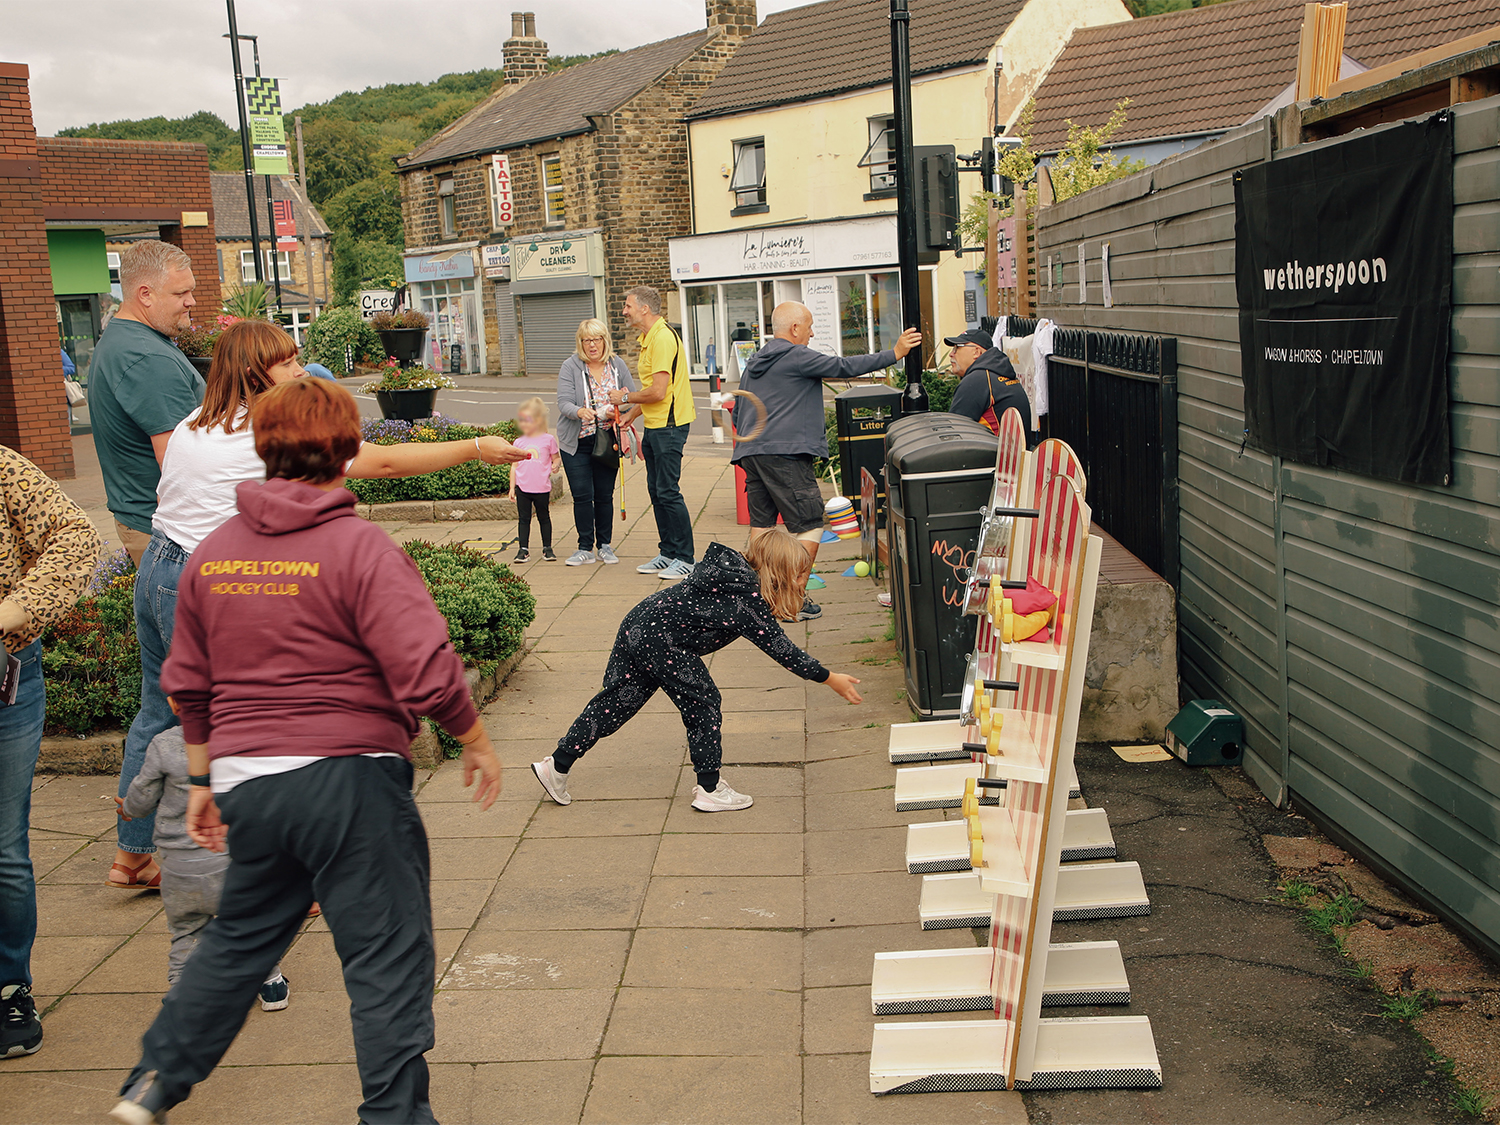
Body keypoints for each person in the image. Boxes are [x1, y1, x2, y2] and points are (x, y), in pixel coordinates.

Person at [110, 378, 504, 1125]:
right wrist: (475, 737)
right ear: (348, 449)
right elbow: (423, 661)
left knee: (238, 939)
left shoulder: (217, 552)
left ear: (264, 449)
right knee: (386, 956)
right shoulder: (359, 546)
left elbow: (187, 683)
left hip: (248, 785)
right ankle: (394, 1116)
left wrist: (200, 781)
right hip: (350, 784)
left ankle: (155, 1078)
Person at [110, 319, 524, 889]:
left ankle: (132, 853)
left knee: (159, 711)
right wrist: (477, 448)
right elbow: (380, 463)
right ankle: (254, 866)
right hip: (203, 575)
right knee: (234, 720)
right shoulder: (265, 434)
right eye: (288, 362)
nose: (300, 370)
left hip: (161, 566)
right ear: (258, 371)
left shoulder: (193, 425)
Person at [532, 529, 864, 813]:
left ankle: (556, 765)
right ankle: (709, 789)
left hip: (642, 621)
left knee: (618, 701)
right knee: (703, 702)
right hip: (662, 640)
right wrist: (829, 677)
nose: (801, 580)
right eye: (798, 573)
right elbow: (783, 650)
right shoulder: (746, 598)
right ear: (777, 572)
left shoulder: (731, 576)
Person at [0, 447, 102, 1060]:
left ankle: (10, 987)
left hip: (7, 674)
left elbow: (75, 536)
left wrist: (8, 614)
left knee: (4, 847)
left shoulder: (2, 468)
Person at [732, 301, 920, 619]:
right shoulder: (795, 354)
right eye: (808, 326)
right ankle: (792, 597)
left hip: (752, 454)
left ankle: (759, 596)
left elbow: (740, 410)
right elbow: (843, 367)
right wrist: (895, 353)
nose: (811, 332)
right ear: (794, 329)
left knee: (761, 527)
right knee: (810, 525)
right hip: (787, 453)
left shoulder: (755, 362)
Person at [119, 727, 289, 1009]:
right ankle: (270, 985)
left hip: (180, 868)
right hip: (234, 864)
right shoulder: (247, 740)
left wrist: (128, 809)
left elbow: (142, 795)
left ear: (174, 701)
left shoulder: (164, 744)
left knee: (187, 930)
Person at [88, 240, 204, 567]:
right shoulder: (146, 356)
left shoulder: (126, 338)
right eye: (180, 293)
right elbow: (180, 458)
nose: (190, 301)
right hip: (173, 534)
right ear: (145, 295)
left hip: (152, 523)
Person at [608, 286, 696, 581]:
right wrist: (631, 416)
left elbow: (658, 392)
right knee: (657, 491)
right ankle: (668, 552)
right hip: (655, 425)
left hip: (670, 427)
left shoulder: (661, 338)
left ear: (645, 309)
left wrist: (624, 399)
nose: (624, 311)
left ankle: (686, 558)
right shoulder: (647, 338)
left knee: (668, 491)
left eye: (628, 305)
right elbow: (654, 394)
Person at [556, 319, 634, 566]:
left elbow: (630, 397)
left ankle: (605, 545)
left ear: (605, 341)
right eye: (587, 340)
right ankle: (584, 547)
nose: (592, 345)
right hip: (577, 442)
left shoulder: (617, 365)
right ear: (581, 343)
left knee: (604, 495)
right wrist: (580, 412)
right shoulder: (571, 366)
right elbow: (564, 402)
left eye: (597, 339)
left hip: (607, 440)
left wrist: (617, 410)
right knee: (582, 495)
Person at [944, 327, 1036, 444]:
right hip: (1014, 457)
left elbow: (954, 433)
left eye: (957, 348)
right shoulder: (997, 374)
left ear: (976, 352)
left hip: (993, 459)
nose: (951, 354)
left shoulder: (977, 380)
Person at [508, 396, 561, 563]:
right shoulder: (519, 442)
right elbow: (514, 466)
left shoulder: (548, 439)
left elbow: (556, 457)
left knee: (544, 517)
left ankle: (547, 548)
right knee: (524, 519)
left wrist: (556, 465)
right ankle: (523, 549)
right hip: (523, 487)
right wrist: (511, 487)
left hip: (542, 487)